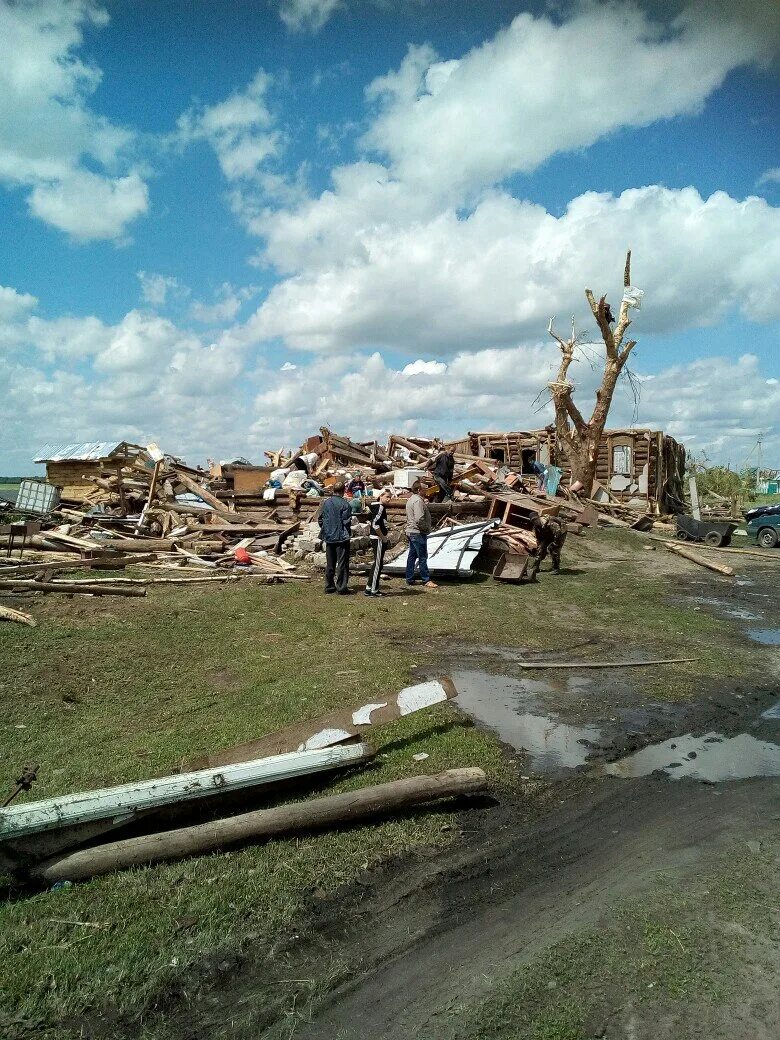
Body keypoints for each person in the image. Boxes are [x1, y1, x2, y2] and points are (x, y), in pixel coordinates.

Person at [318, 481, 352, 594]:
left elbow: (320, 519)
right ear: (344, 491)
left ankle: (329, 586)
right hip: (341, 538)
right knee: (342, 563)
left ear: (333, 490)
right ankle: (341, 587)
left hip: (329, 537)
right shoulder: (345, 504)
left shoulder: (326, 503)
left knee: (330, 564)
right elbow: (346, 521)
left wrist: (326, 529)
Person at [405, 480, 438, 589]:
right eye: (424, 488)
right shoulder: (418, 501)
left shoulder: (411, 499)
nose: (426, 490)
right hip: (418, 532)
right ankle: (426, 579)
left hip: (411, 531)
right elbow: (419, 519)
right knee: (423, 556)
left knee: (412, 555)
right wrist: (426, 529)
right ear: (419, 490)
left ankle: (409, 578)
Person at [365, 487, 391, 596]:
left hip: (377, 537)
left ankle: (369, 587)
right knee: (378, 564)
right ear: (381, 496)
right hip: (378, 538)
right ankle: (373, 590)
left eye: (390, 497)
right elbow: (375, 524)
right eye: (387, 497)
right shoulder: (380, 507)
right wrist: (383, 537)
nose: (389, 499)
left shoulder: (379, 507)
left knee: (378, 563)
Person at [528, 514, 567, 580]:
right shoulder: (536, 527)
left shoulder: (551, 523)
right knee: (541, 548)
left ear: (538, 518)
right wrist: (540, 546)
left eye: (535, 519)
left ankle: (556, 568)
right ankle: (535, 566)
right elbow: (539, 538)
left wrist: (554, 544)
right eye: (533, 520)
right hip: (548, 534)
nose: (535, 521)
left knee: (554, 549)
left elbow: (558, 534)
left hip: (560, 533)